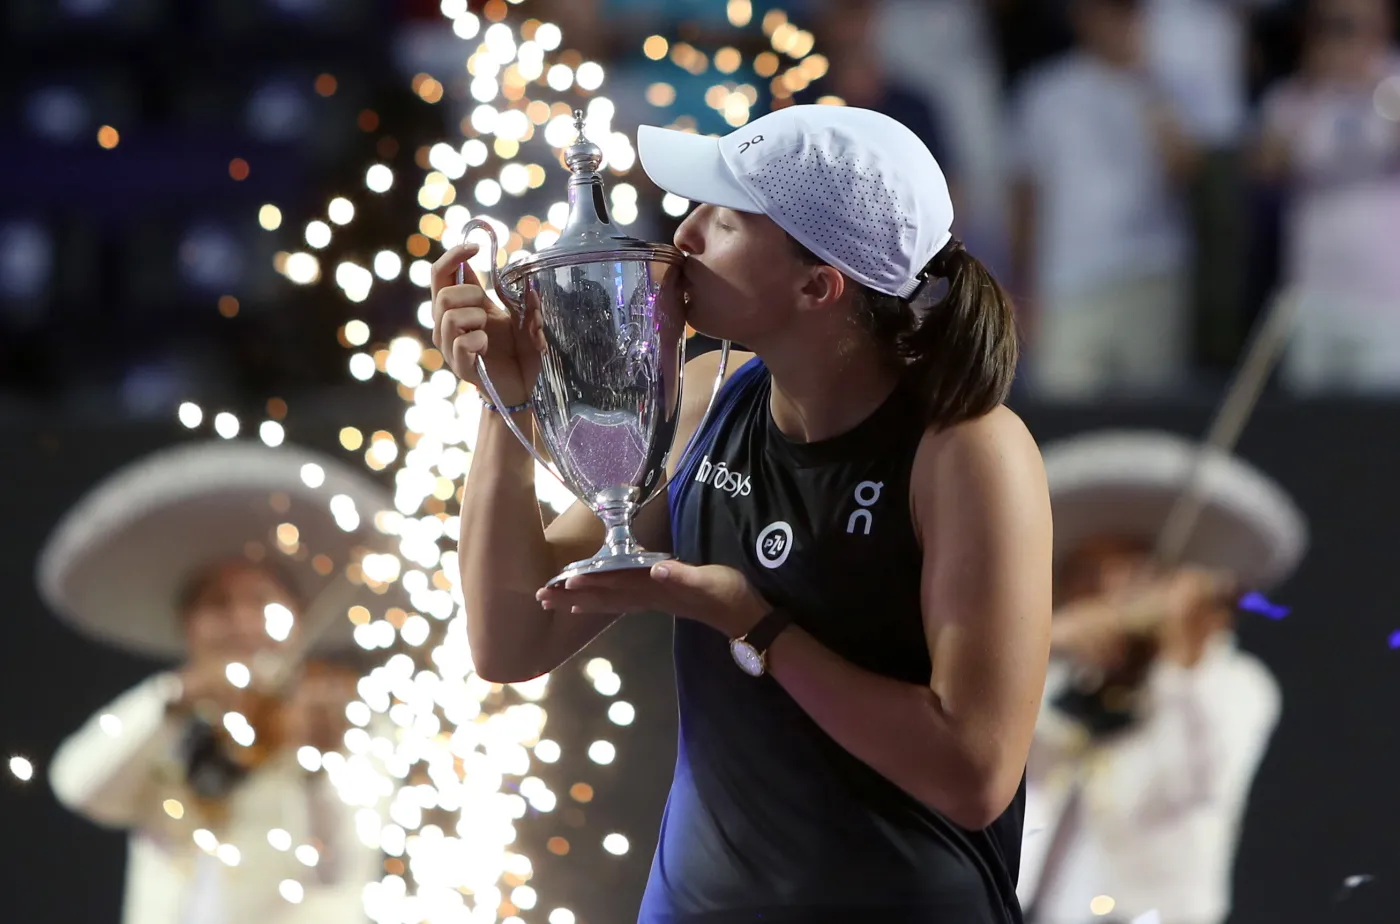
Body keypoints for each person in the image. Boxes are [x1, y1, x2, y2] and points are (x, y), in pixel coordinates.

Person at [432, 104, 1053, 922]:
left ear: (817, 286)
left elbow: (973, 774)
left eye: (723, 222)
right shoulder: (705, 395)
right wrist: (505, 402)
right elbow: (512, 639)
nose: (683, 236)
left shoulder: (968, 449)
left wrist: (753, 624)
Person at [41, 440, 401, 924]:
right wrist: (173, 697)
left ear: (298, 618)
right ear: (186, 625)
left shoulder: (347, 718)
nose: (241, 622)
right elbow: (78, 787)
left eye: (261, 601)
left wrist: (321, 760)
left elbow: (343, 865)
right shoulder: (166, 715)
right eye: (217, 605)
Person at [1017, 430, 1308, 924]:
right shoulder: (1046, 678)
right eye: (1087, 574)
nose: (1109, 592)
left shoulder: (1235, 683)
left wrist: (1181, 654)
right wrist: (1042, 641)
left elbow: (1201, 778)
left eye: (1130, 573)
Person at [1008, 0, 1197, 399]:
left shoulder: (1166, 88)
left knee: (1151, 413)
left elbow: (1184, 172)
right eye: (1108, 10)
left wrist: (1148, 87)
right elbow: (1027, 197)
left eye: (1129, 12)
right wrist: (1025, 288)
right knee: (1061, 410)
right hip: (1067, 281)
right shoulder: (1046, 91)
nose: (1118, 22)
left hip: (1149, 272)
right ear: (1082, 15)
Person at [1255, 0, 1400, 395]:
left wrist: (1370, 83)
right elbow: (1266, 164)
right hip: (1313, 293)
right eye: (1334, 25)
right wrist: (1317, 88)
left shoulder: (1392, 81)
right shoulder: (1298, 93)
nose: (1346, 36)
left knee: (1381, 424)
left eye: (1354, 23)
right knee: (1312, 420)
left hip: (1385, 299)